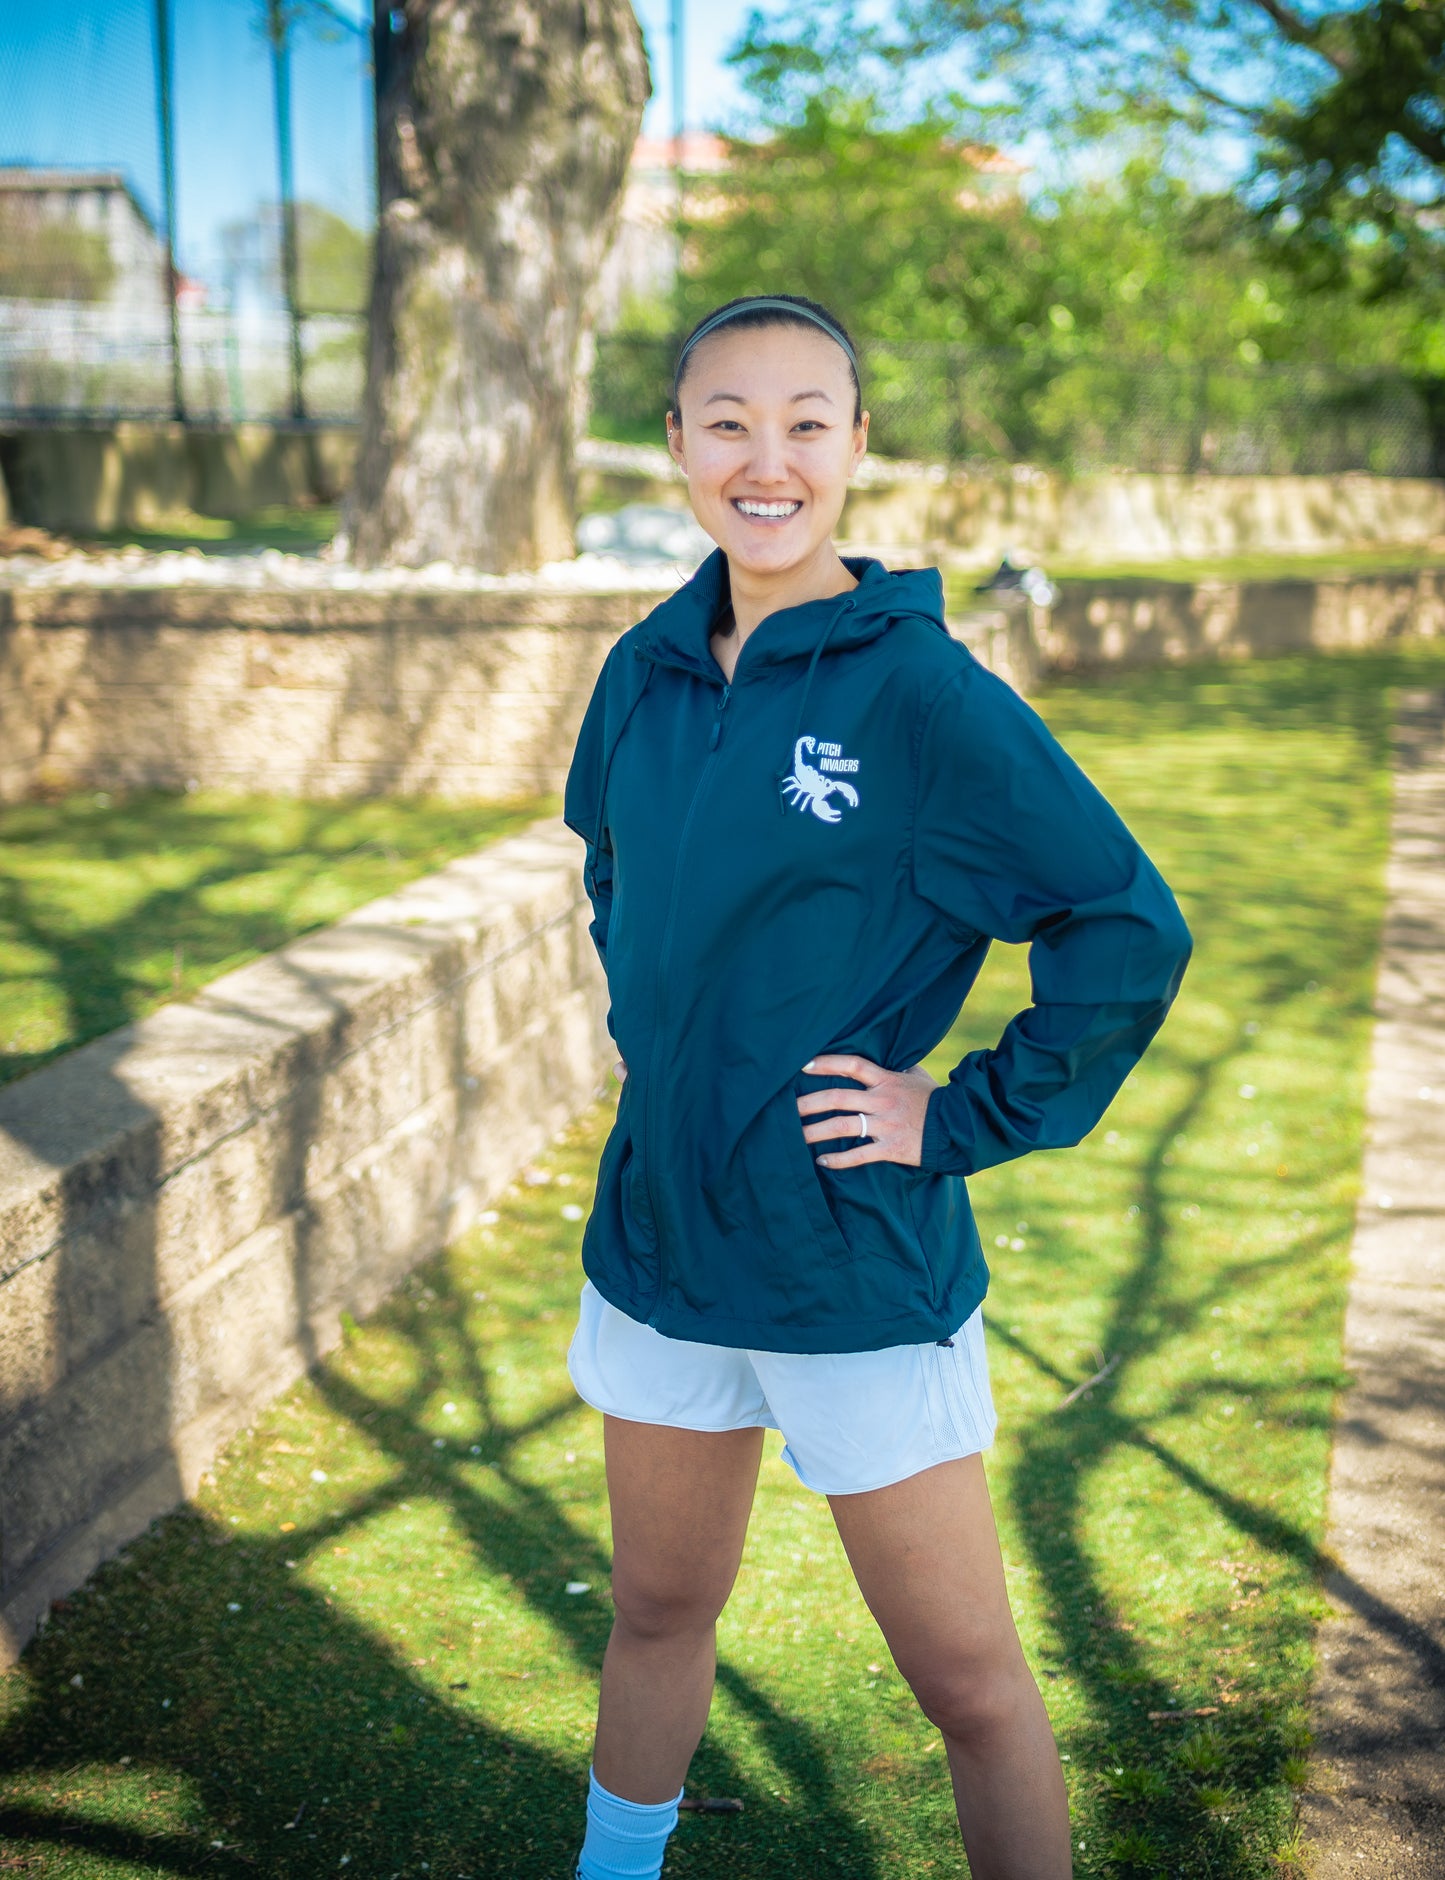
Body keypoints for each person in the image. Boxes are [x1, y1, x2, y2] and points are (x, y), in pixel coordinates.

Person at [562, 294, 1192, 1880]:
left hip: (845, 1255)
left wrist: (958, 1110)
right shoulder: (639, 671)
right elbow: (610, 870)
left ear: (854, 447)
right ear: (676, 446)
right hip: (659, 1249)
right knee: (652, 1615)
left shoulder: (918, 693)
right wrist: (665, 1050)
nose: (762, 459)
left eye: (802, 422)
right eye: (726, 421)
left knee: (968, 1687)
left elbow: (1121, 926)